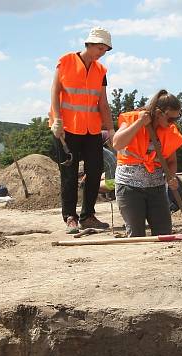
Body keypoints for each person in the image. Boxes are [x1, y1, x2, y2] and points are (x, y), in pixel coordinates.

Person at [49, 27, 116, 234]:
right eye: (99, 48)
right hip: (67, 129)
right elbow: (55, 90)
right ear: (89, 44)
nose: (101, 52)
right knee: (69, 174)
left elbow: (102, 103)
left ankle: (88, 215)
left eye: (105, 49)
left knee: (95, 171)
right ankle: (70, 217)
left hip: (91, 130)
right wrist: (57, 120)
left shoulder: (101, 71)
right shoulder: (66, 61)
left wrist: (111, 129)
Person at [111, 90, 182, 237]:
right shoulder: (133, 119)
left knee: (164, 234)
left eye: (176, 119)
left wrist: (171, 177)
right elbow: (117, 144)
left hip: (156, 189)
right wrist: (139, 123)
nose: (173, 123)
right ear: (159, 113)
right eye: (170, 119)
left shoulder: (169, 132)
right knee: (136, 235)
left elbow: (171, 161)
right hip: (129, 188)